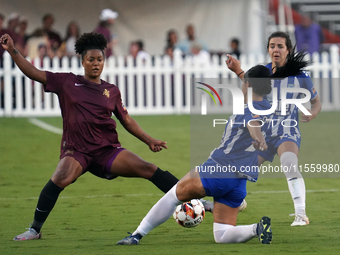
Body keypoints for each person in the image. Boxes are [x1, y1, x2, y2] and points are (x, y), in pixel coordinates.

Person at [0, 32, 189, 241]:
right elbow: (33, 72)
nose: (96, 64)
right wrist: (13, 50)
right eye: (91, 60)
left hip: (106, 150)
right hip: (77, 150)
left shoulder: (111, 91)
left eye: (99, 60)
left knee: (148, 168)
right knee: (61, 177)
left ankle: (191, 200)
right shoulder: (67, 82)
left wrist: (149, 140)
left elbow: (126, 120)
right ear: (82, 62)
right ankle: (34, 230)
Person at [117, 64, 275, 246]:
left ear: (247, 85)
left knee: (172, 196)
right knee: (222, 235)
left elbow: (252, 124)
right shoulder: (266, 107)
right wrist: (239, 71)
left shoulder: (249, 110)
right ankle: (257, 228)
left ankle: (136, 235)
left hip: (218, 170)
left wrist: (258, 138)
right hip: (239, 181)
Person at [227, 31, 322, 226]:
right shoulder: (261, 71)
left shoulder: (301, 76)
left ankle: (301, 214)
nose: (275, 50)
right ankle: (237, 201)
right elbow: (248, 90)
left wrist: (313, 113)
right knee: (239, 169)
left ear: (288, 50)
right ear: (268, 49)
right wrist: (239, 73)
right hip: (263, 132)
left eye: (280, 46)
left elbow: (316, 102)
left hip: (287, 131)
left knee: (289, 163)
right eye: (272, 46)